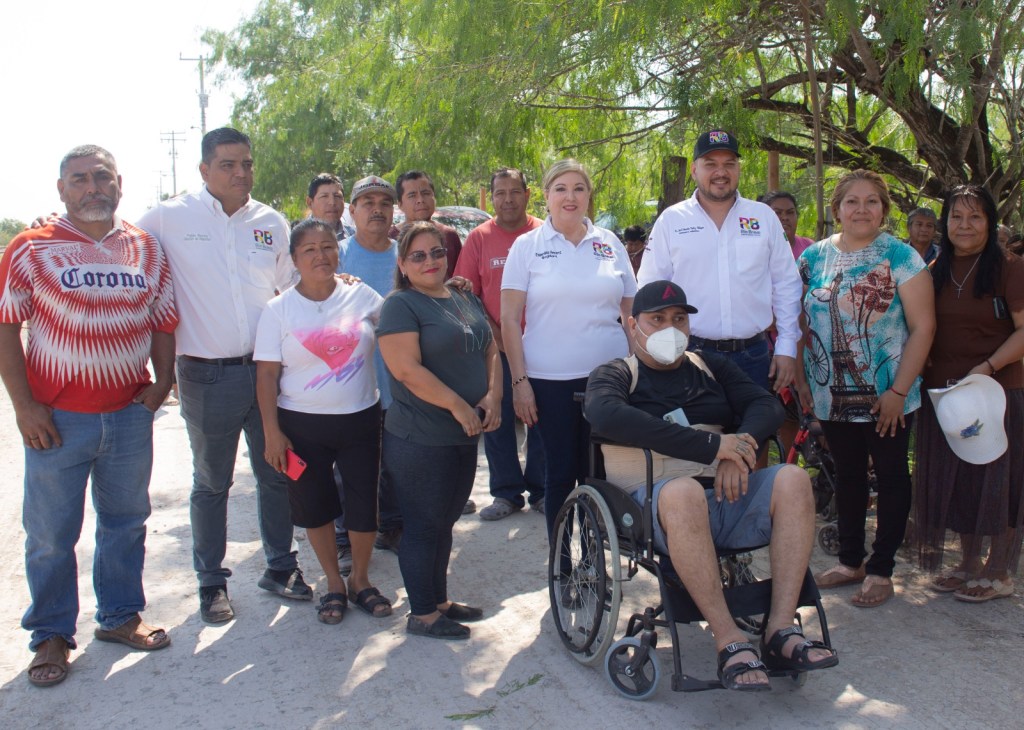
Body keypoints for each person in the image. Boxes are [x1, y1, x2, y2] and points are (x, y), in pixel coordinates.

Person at [584, 280, 837, 692]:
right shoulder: (615, 374)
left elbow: (766, 405)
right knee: (683, 490)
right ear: (632, 325)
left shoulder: (709, 366)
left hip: (721, 495)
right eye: (657, 319)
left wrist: (737, 452)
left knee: (792, 479)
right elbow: (606, 415)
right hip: (651, 505)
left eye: (679, 319)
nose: (670, 328)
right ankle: (729, 638)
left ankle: (779, 631)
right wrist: (713, 447)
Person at [0, 145, 177, 686]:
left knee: (126, 522)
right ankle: (51, 634)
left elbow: (163, 319)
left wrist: (162, 382)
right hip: (57, 420)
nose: (92, 187)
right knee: (51, 535)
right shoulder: (31, 248)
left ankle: (120, 616)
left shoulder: (146, 248)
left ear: (119, 183)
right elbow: (6, 325)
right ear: (62, 189)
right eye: (79, 179)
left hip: (128, 414)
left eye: (102, 176)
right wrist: (24, 406)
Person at [136, 127, 311, 624]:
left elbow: (293, 286)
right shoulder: (169, 217)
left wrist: (335, 284)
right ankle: (211, 581)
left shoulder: (270, 221)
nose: (241, 173)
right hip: (205, 377)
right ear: (204, 170)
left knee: (276, 471)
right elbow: (118, 243)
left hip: (268, 373)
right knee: (212, 482)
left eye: (247, 164)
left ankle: (280, 567)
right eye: (228, 165)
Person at [797, 169, 935, 607]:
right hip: (830, 391)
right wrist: (802, 377)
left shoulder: (901, 257)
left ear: (884, 209)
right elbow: (798, 321)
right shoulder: (813, 258)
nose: (861, 209)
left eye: (871, 201)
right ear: (836, 209)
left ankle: (880, 569)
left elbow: (924, 327)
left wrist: (899, 392)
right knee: (848, 474)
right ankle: (850, 560)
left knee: (891, 476)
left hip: (889, 393)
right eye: (852, 201)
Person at [255, 219, 392, 623]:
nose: (321, 255)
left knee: (364, 504)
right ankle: (333, 582)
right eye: (310, 249)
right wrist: (271, 432)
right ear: (294, 259)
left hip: (360, 418)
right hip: (300, 426)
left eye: (328, 246)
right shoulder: (278, 310)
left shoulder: (360, 294)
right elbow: (266, 375)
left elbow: (398, 320)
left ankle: (360, 580)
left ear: (338, 251)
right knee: (314, 506)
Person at [377, 221, 501, 639]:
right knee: (423, 524)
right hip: (420, 437)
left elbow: (490, 348)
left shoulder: (462, 295)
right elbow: (406, 370)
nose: (429, 261)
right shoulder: (401, 306)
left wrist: (493, 396)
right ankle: (422, 615)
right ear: (402, 264)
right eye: (418, 255)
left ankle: (439, 602)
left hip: (462, 434)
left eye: (437, 252)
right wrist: (458, 405)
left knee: (445, 522)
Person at [501, 159, 637, 536]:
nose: (570, 196)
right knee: (560, 474)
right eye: (560, 188)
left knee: (602, 473)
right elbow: (510, 319)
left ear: (589, 195)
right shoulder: (526, 247)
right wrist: (519, 383)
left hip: (610, 380)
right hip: (549, 382)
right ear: (546, 196)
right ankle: (562, 561)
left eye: (579, 188)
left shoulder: (610, 243)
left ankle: (595, 559)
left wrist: (640, 370)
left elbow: (631, 314)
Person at [914, 185, 1024, 602]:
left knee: (998, 483)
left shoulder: (1011, 268)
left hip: (998, 393)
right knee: (961, 481)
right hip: (946, 398)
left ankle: (999, 571)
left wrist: (988, 367)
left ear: (990, 222)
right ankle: (967, 564)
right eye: (956, 217)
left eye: (975, 216)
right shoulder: (934, 269)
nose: (965, 226)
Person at [639, 130, 802, 395]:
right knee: (694, 423)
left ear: (738, 169)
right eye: (710, 164)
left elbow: (786, 283)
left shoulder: (763, 217)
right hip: (690, 355)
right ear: (694, 170)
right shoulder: (671, 221)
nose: (721, 172)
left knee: (754, 423)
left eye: (729, 163)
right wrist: (658, 348)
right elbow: (650, 289)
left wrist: (786, 347)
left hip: (754, 357)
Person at [454, 167, 546, 520]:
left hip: (542, 345)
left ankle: (542, 489)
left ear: (527, 194)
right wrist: (498, 336)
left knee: (542, 418)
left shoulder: (544, 233)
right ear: (491, 197)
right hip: (496, 349)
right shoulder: (479, 238)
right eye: (500, 193)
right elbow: (466, 295)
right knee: (497, 419)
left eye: (514, 192)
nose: (508, 200)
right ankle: (506, 494)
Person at [391, 170, 463, 271]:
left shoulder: (449, 236)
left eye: (426, 193)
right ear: (400, 204)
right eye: (412, 195)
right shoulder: (390, 239)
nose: (420, 200)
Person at [761, 191, 814, 259]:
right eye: (777, 212)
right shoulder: (757, 249)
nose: (785, 217)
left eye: (790, 212)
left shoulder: (810, 248)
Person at [306, 172, 355, 239]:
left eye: (337, 196)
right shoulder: (296, 238)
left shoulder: (356, 237)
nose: (332, 202)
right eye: (324, 196)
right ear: (310, 202)